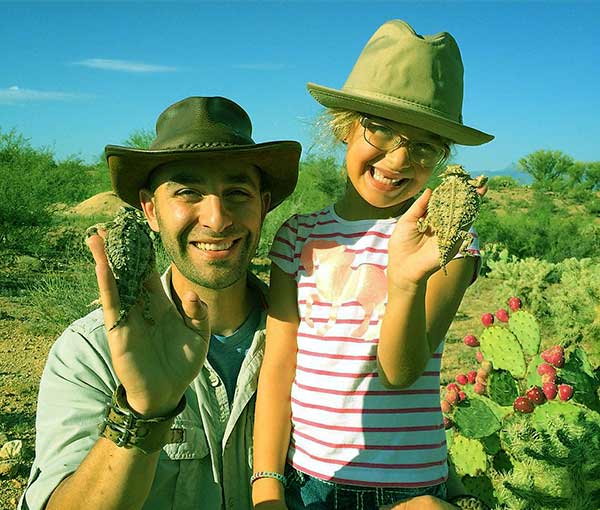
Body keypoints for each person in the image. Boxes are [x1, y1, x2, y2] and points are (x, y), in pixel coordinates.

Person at [252, 20, 493, 510]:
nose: (399, 157)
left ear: (441, 158)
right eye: (380, 127)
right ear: (344, 125)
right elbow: (279, 367)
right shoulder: (298, 234)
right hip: (307, 482)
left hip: (409, 490)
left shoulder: (448, 242)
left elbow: (402, 372)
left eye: (425, 144)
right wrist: (266, 486)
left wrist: (406, 279)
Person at [18, 95, 302, 510]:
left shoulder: (316, 342)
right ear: (150, 210)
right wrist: (142, 412)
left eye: (237, 192)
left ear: (264, 205)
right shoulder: (92, 351)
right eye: (188, 192)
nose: (217, 219)